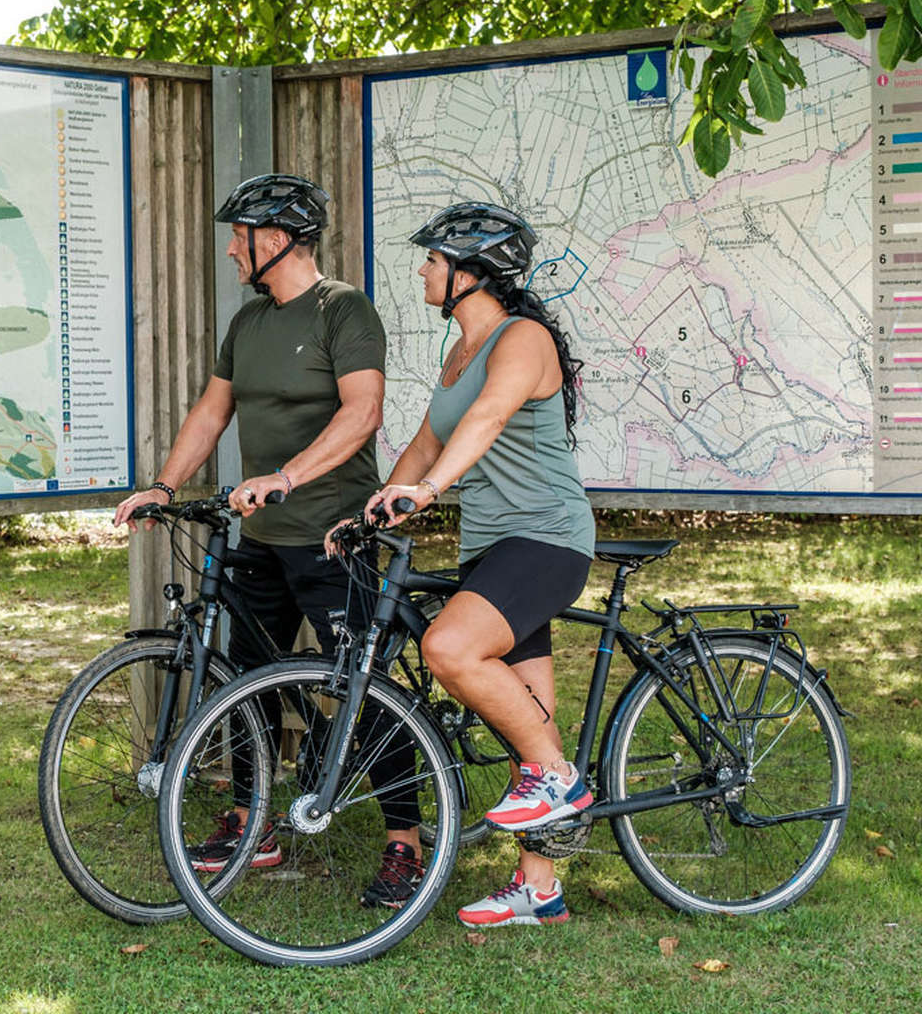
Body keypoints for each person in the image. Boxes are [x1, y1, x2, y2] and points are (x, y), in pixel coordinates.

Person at [113, 174, 420, 907]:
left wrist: (289, 474)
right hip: (263, 537)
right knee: (246, 682)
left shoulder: (344, 310)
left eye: (238, 236)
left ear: (275, 239)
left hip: (333, 535)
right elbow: (212, 411)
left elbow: (363, 412)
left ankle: (405, 840)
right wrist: (163, 485)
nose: (229, 250)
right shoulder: (249, 324)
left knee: (362, 685)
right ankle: (255, 823)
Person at [336, 201, 595, 927]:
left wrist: (429, 490)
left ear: (472, 271)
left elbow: (486, 420)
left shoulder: (523, 339)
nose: (421, 269)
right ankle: (539, 891)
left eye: (433, 259)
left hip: (546, 538)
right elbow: (425, 441)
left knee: (447, 647)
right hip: (493, 544)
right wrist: (370, 509)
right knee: (524, 716)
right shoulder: (456, 355)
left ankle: (558, 781)